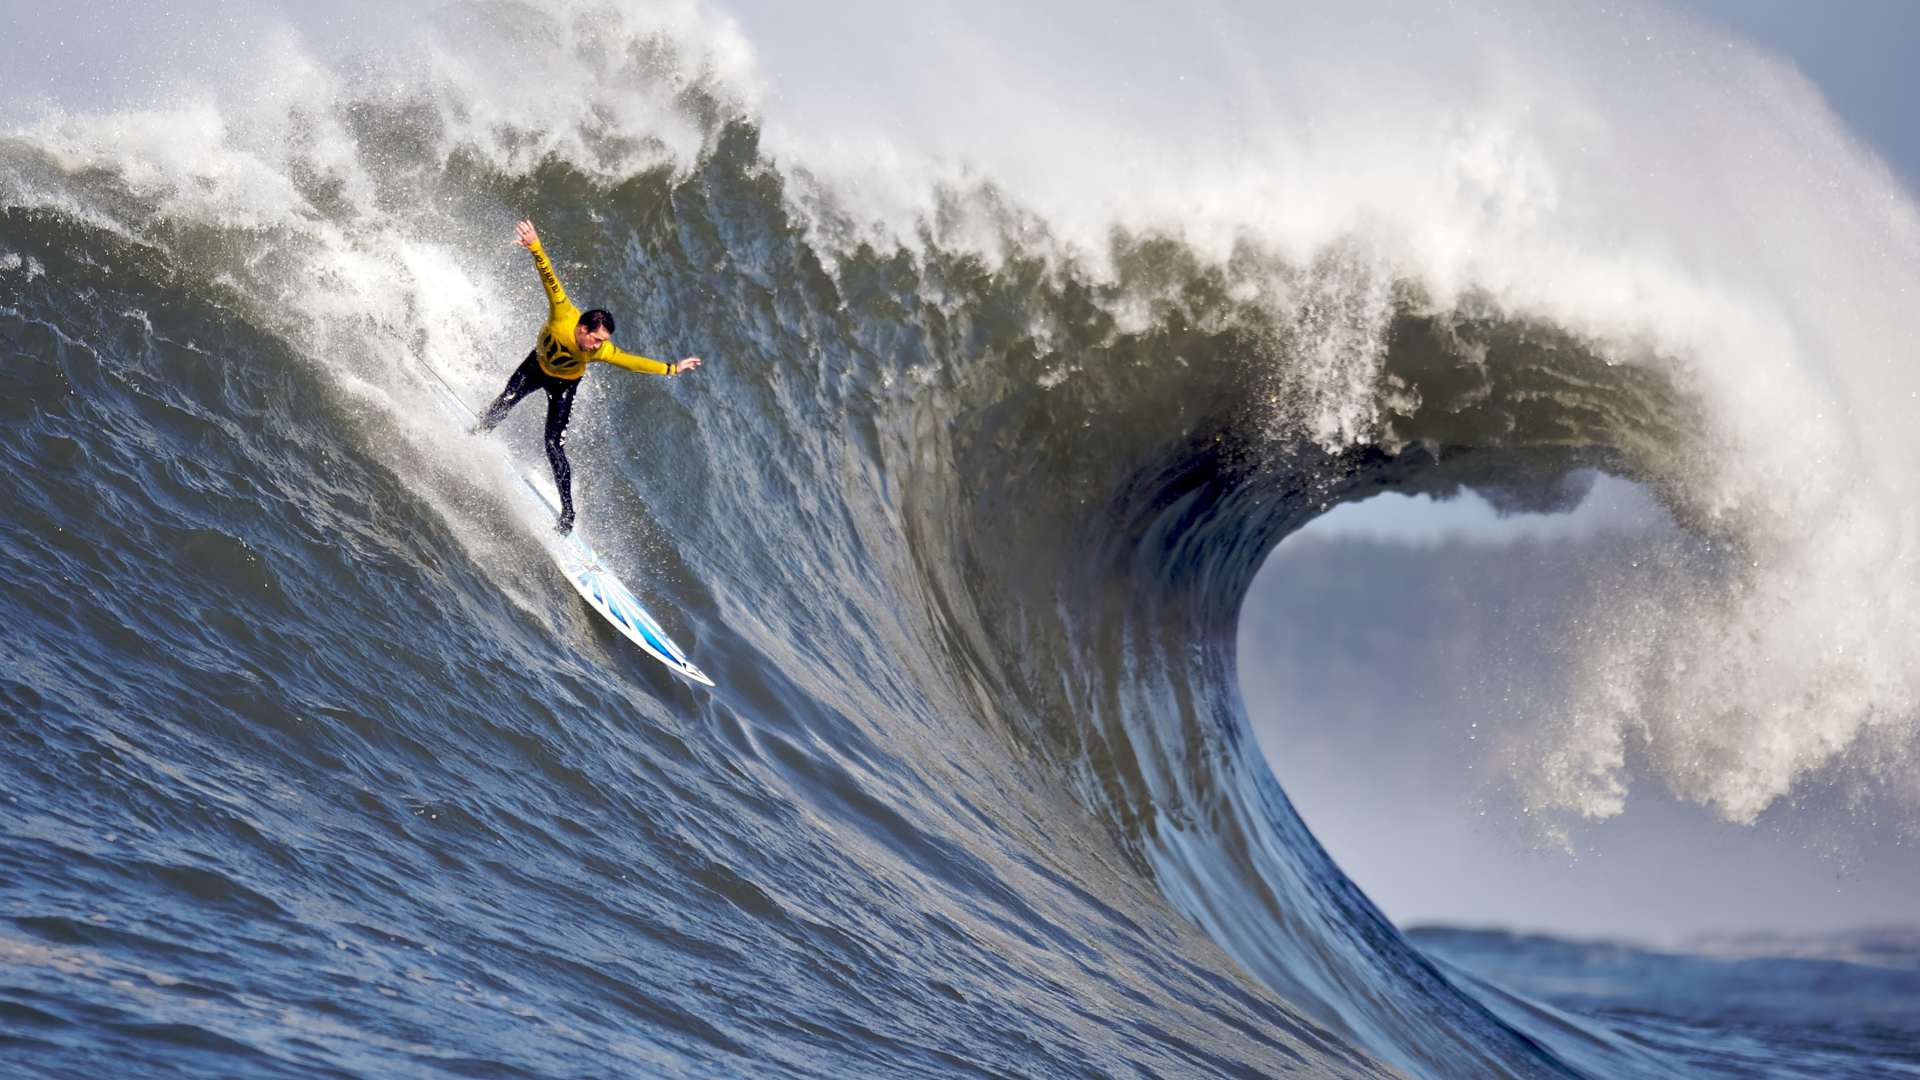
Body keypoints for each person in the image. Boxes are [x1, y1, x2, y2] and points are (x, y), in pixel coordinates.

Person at [474, 219, 701, 534]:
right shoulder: (563, 313)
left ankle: (568, 512)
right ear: (582, 328)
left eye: (602, 341)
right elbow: (549, 277)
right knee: (507, 399)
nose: (598, 346)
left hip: (564, 385)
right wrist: (535, 246)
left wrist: (671, 368)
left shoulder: (601, 351)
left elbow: (632, 362)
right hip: (535, 366)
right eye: (595, 339)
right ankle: (477, 433)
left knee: (553, 445)